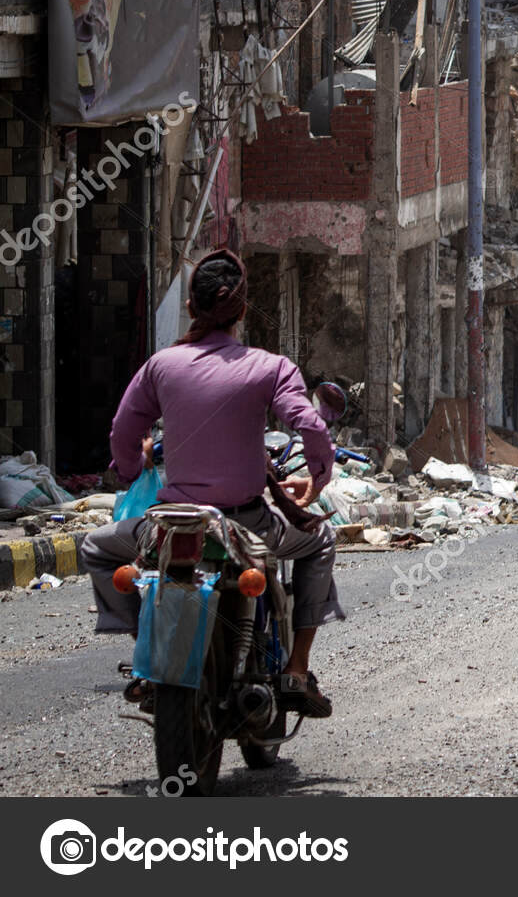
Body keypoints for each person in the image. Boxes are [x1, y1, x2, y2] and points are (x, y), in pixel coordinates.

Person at [81, 248, 342, 718]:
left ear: (190, 308)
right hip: (247, 524)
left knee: (97, 548)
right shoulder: (270, 367)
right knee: (319, 540)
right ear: (242, 311)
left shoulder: (161, 366)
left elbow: (123, 430)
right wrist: (317, 479)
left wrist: (131, 469)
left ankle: (146, 655)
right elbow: (311, 425)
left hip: (170, 528)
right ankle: (297, 669)